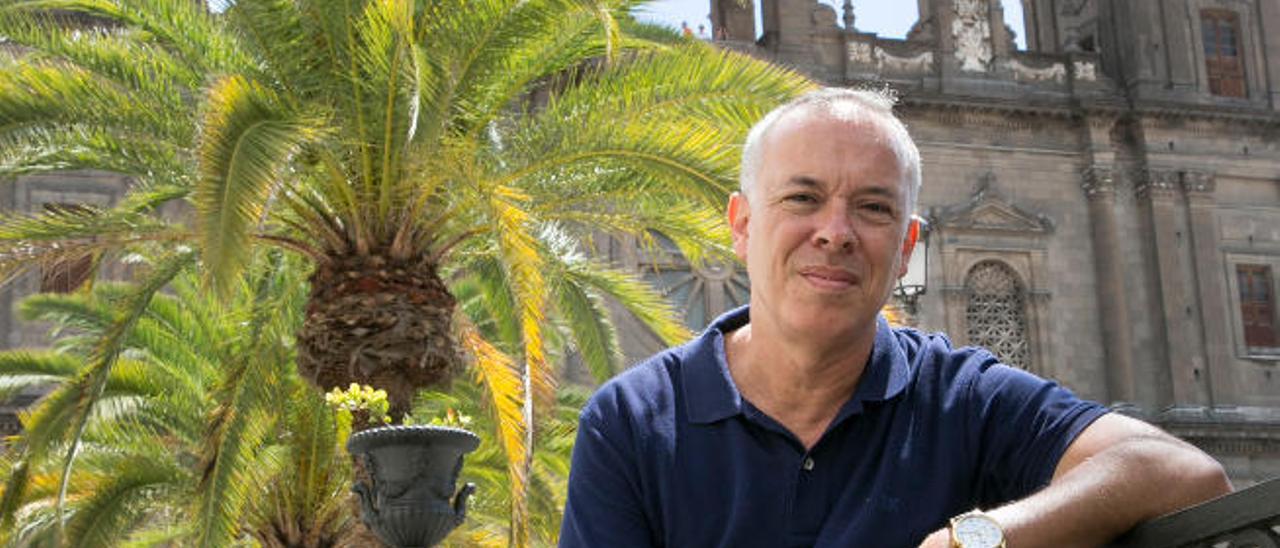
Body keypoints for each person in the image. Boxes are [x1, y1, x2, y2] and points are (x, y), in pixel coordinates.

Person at [558, 88, 1232, 548]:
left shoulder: (960, 396)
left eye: (874, 209)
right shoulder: (633, 423)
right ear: (742, 224)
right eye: (803, 197)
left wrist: (973, 539)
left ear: (907, 248)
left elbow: (1181, 471)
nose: (836, 232)